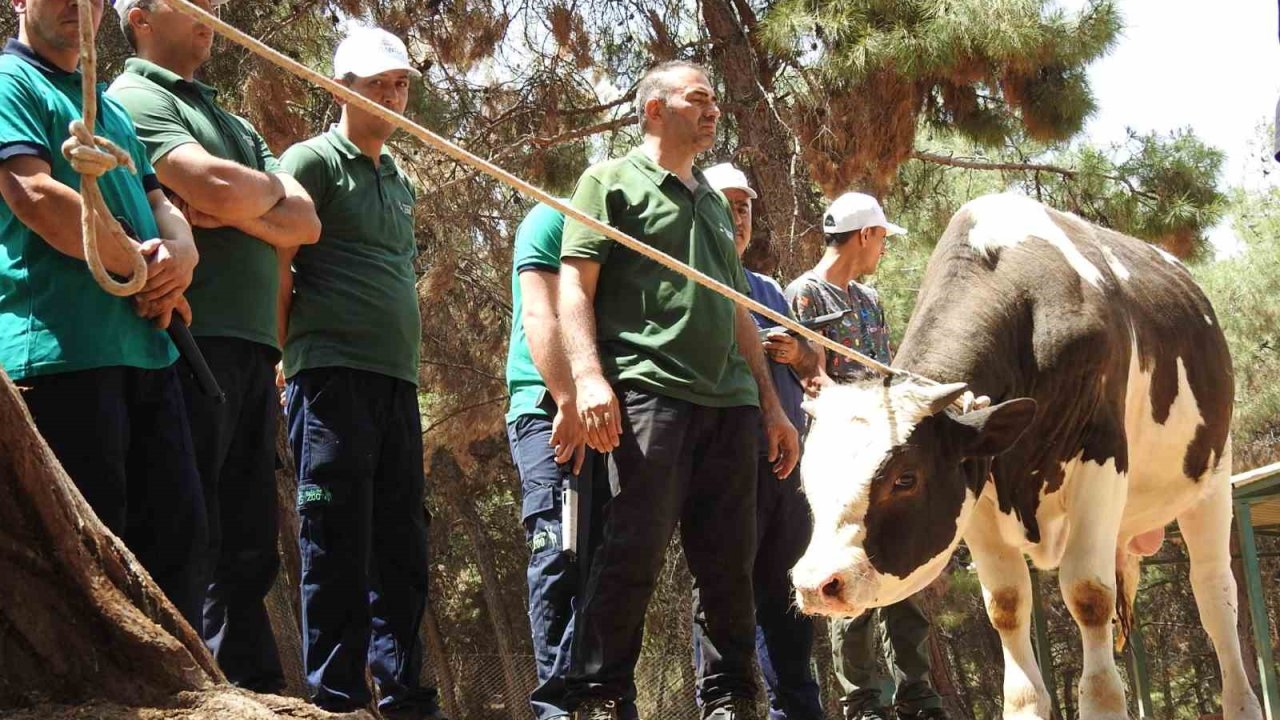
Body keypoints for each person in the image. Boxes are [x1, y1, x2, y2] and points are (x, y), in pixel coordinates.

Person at [559, 60, 800, 720]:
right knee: (631, 548)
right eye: (699, 99)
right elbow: (573, 287)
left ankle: (731, 703)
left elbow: (736, 311)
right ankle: (600, 695)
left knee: (730, 568)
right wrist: (586, 377)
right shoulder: (607, 183)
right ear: (654, 111)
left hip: (731, 407)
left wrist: (773, 407)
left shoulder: (718, 207)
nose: (713, 110)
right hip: (648, 393)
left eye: (715, 99)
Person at [108, 0, 320, 693]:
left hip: (255, 346)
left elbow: (305, 222)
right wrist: (258, 200)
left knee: (251, 532)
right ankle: (184, 682)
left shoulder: (226, 116)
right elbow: (205, 185)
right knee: (188, 520)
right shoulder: (132, 97)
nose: (212, 11)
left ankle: (249, 685)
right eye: (190, 1)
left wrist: (242, 207)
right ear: (139, 16)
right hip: (186, 341)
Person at [0, 0, 206, 627]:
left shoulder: (108, 107)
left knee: (179, 540)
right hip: (61, 355)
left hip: (149, 349)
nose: (77, 6)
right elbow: (32, 193)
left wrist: (181, 256)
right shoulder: (10, 83)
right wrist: (139, 265)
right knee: (91, 555)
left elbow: (159, 202)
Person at [276, 26, 446, 720]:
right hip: (329, 376)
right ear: (341, 87)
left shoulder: (400, 177)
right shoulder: (311, 161)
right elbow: (278, 266)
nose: (393, 95)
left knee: (403, 541)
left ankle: (406, 695)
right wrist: (286, 357)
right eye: (378, 84)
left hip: (395, 381)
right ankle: (338, 699)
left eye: (400, 83)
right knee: (336, 537)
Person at [784, 193, 948, 720]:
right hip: (836, 463)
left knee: (897, 562)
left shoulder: (871, 301)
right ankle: (863, 701)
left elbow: (888, 377)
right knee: (844, 567)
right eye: (882, 238)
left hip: (882, 457)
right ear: (864, 236)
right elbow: (803, 378)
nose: (882, 249)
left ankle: (916, 693)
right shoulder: (803, 295)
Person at [696, 162, 825, 720]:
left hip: (786, 468)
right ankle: (725, 705)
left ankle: (799, 706)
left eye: (745, 205)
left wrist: (797, 353)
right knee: (724, 586)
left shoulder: (769, 288)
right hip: (725, 460)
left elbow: (815, 363)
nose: (738, 215)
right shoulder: (689, 273)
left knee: (790, 592)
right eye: (726, 203)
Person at [505, 202, 640, 720]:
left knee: (611, 563)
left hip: (608, 414)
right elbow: (540, 312)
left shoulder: (619, 236)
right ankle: (556, 709)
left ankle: (602, 699)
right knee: (559, 555)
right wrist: (564, 398)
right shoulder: (550, 219)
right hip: (548, 410)